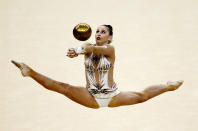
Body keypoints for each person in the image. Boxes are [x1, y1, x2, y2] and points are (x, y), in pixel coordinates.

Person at [11, 24, 183, 109]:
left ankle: (169, 86)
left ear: (110, 37)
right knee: (62, 87)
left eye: (103, 32)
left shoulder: (110, 49)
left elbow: (92, 49)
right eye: (97, 31)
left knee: (142, 96)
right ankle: (29, 71)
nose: (99, 34)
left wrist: (79, 51)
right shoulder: (87, 46)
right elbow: (87, 47)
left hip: (113, 96)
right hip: (90, 96)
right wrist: (77, 50)